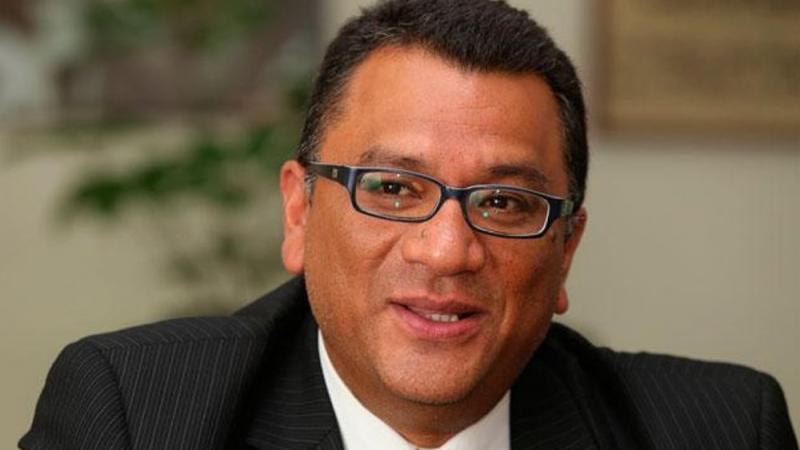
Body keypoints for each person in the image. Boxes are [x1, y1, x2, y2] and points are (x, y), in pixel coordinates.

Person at [20, 0, 797, 449]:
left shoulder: (722, 430)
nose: (448, 250)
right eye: (392, 188)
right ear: (299, 211)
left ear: (566, 251)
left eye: (503, 203)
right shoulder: (135, 416)